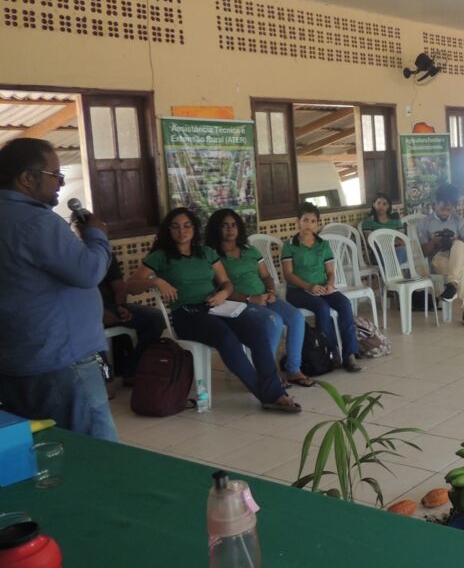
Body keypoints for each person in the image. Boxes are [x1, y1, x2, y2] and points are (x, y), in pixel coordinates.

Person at [128, 208, 302, 412]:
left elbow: (226, 283)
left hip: (217, 306)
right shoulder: (160, 256)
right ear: (168, 230)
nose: (181, 231)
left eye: (187, 226)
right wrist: (156, 281)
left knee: (258, 332)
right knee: (226, 338)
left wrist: (222, 294)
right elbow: (130, 285)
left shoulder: (207, 253)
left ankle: (272, 392)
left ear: (194, 229)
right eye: (175, 226)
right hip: (187, 313)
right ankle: (271, 395)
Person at [0, 138, 117, 439]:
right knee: (97, 453)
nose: (61, 184)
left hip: (17, 359)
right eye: (56, 176)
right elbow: (89, 272)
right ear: (27, 178)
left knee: (43, 447)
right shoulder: (36, 222)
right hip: (62, 361)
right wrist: (97, 236)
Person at [205, 209, 312, 387]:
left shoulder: (250, 250)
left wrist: (270, 291)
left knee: (296, 317)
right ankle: (268, 374)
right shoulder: (213, 255)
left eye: (233, 225)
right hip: (238, 303)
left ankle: (293, 369)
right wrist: (250, 299)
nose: (230, 229)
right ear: (216, 229)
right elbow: (220, 288)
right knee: (274, 321)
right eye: (224, 226)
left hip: (264, 297)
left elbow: (265, 276)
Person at [281, 203, 362, 370]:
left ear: (317, 224)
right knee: (322, 307)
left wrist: (330, 285)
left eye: (313, 221)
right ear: (298, 221)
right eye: (305, 220)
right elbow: (288, 274)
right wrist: (309, 286)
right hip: (298, 291)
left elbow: (331, 272)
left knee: (345, 304)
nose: (309, 225)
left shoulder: (323, 245)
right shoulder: (289, 245)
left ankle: (350, 354)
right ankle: (330, 353)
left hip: (322, 288)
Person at [98, 253, 166, 385]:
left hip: (111, 306)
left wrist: (120, 307)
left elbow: (119, 287)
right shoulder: (71, 258)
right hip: (87, 312)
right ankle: (105, 379)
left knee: (155, 318)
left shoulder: (105, 254)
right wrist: (99, 312)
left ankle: (133, 369)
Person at [417, 183, 464, 327]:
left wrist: (455, 241)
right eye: (442, 208)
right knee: (459, 271)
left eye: (449, 210)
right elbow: (424, 252)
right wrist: (433, 241)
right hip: (438, 258)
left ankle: (452, 286)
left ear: (454, 208)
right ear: (435, 204)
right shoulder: (425, 223)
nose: (445, 212)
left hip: (459, 255)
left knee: (458, 245)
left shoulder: (458, 220)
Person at [361, 192, 407, 264]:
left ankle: (393, 273)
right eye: (378, 203)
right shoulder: (368, 222)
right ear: (374, 204)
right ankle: (396, 273)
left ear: (388, 206)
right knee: (396, 256)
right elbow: (370, 243)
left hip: (396, 250)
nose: (381, 206)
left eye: (384, 204)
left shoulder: (396, 221)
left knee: (401, 250)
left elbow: (402, 240)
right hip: (379, 254)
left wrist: (395, 244)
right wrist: (386, 247)